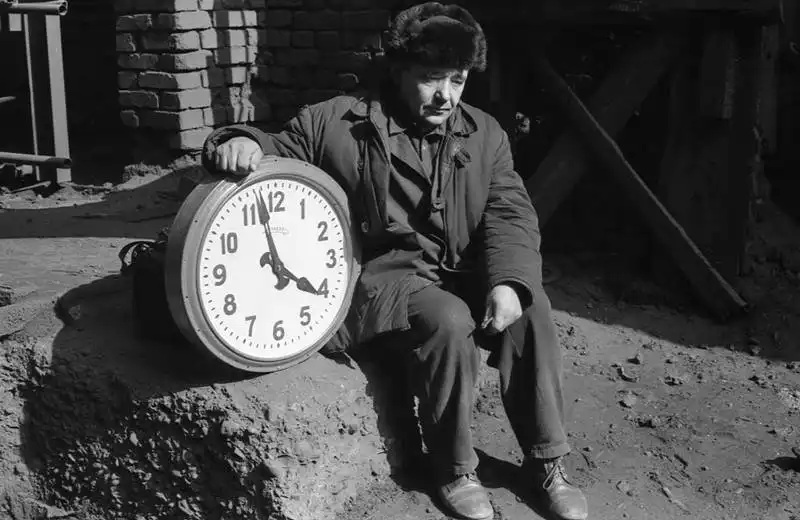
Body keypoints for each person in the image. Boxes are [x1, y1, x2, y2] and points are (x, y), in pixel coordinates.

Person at [202, 3, 588, 519]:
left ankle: (547, 460)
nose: (446, 95)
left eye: (457, 80)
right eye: (431, 78)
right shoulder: (337, 123)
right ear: (400, 70)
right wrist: (239, 141)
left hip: (456, 269)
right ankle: (454, 468)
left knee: (531, 306)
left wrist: (509, 282)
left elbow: (509, 213)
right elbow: (276, 148)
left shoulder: (485, 133)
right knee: (449, 319)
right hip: (382, 280)